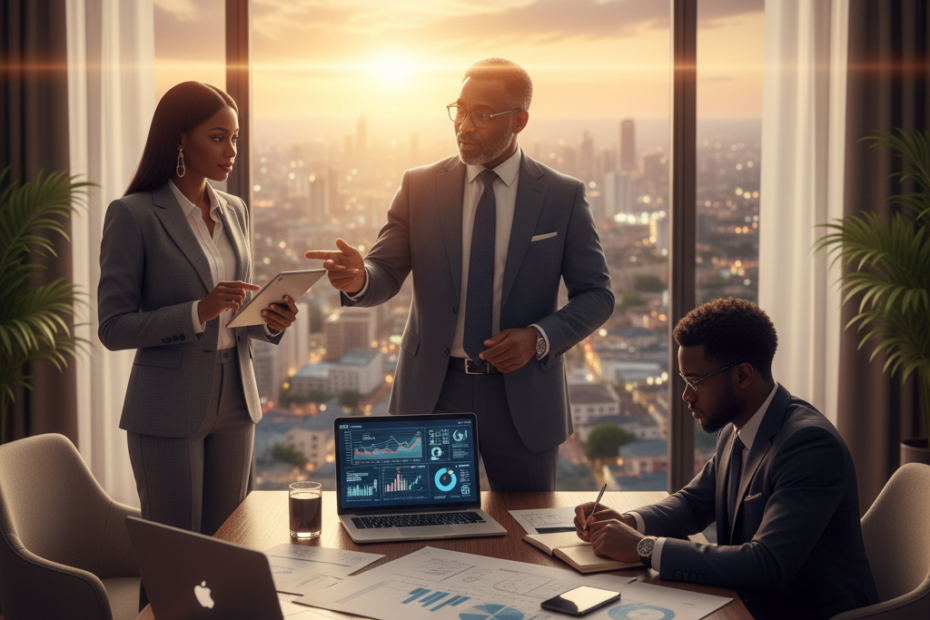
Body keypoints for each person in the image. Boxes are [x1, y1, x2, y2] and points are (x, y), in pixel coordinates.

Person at [306, 58, 613, 491]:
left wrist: (537, 337)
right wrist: (358, 279)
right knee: (423, 537)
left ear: (519, 120)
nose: (464, 126)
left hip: (523, 396)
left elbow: (597, 294)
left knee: (525, 539)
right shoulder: (419, 185)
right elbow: (385, 270)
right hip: (432, 391)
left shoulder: (562, 195)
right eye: (460, 110)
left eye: (482, 115)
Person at [573, 297, 878, 620]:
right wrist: (629, 522)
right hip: (746, 603)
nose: (686, 396)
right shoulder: (736, 429)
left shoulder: (809, 446)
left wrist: (643, 547)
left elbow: (767, 565)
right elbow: (693, 503)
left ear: (743, 376)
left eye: (695, 381)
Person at [98, 82, 299, 537]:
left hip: (237, 397)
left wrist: (270, 321)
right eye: (217, 136)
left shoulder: (236, 210)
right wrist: (198, 311)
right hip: (167, 403)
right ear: (179, 139)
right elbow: (113, 327)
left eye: (235, 138)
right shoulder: (133, 215)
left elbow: (237, 307)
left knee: (228, 543)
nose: (231, 150)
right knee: (176, 549)